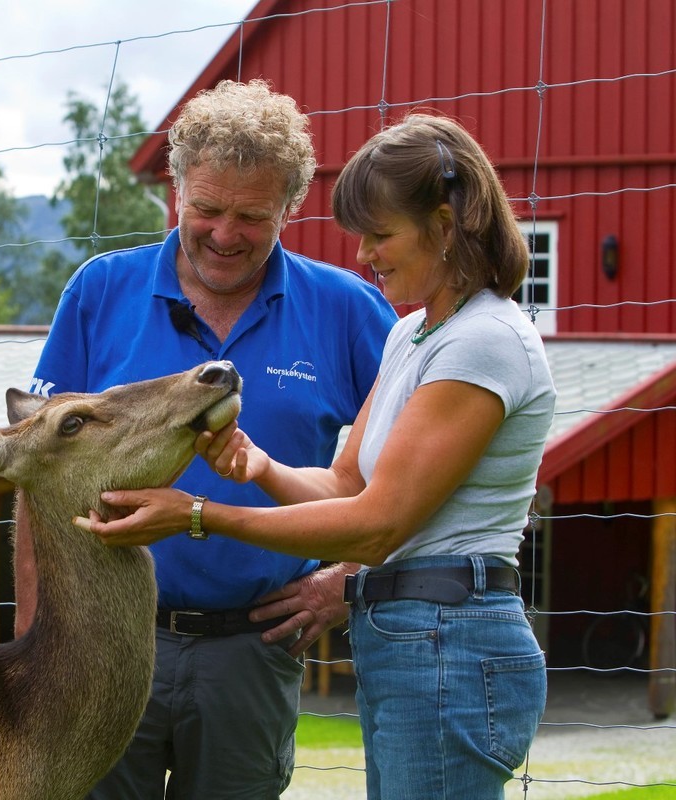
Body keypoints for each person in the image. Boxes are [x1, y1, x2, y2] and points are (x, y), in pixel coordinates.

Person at [79, 113, 556, 800]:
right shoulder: (415, 336)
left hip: (451, 642)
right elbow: (344, 482)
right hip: (410, 640)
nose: (364, 254)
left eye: (382, 234)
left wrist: (199, 515)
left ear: (446, 228)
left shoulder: (482, 340)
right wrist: (259, 468)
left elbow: (377, 523)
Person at [14, 79, 398, 798]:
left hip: (249, 650)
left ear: (292, 206)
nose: (225, 235)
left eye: (252, 216)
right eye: (208, 209)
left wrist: (346, 583)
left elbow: (419, 473)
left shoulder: (347, 310)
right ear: (177, 188)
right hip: (103, 646)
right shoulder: (100, 293)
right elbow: (39, 478)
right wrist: (40, 648)